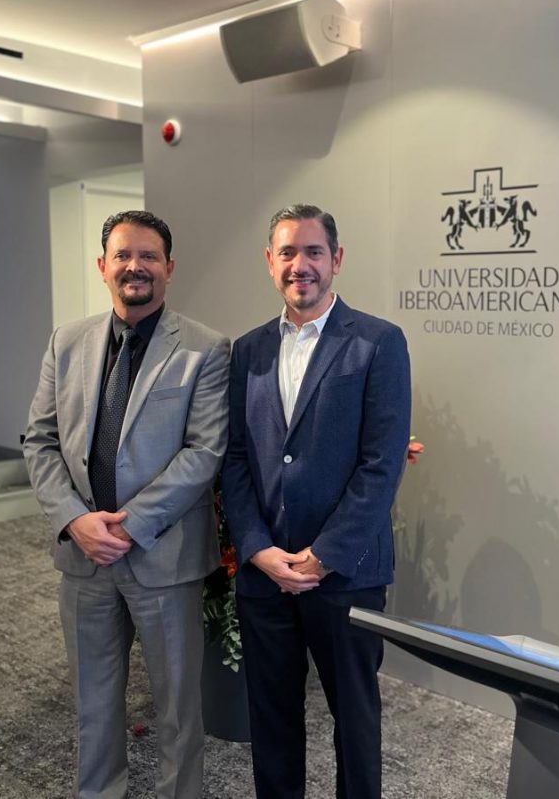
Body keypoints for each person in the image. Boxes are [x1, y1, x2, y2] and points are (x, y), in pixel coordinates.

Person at [24, 210, 228, 799]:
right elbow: (39, 440)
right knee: (92, 702)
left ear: (169, 267)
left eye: (148, 256)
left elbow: (204, 452)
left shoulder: (205, 348)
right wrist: (74, 520)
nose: (135, 266)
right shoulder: (66, 342)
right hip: (84, 558)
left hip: (164, 557)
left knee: (177, 709)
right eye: (122, 255)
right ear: (102, 265)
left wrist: (129, 526)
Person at [221, 203, 412, 799]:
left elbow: (381, 465)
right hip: (266, 574)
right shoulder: (247, 350)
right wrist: (256, 548)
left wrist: (323, 556)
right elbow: (235, 459)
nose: (299, 265)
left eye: (313, 252)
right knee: (272, 721)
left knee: (354, 723)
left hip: (345, 574)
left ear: (336, 260)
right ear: (269, 261)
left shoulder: (379, 342)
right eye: (287, 252)